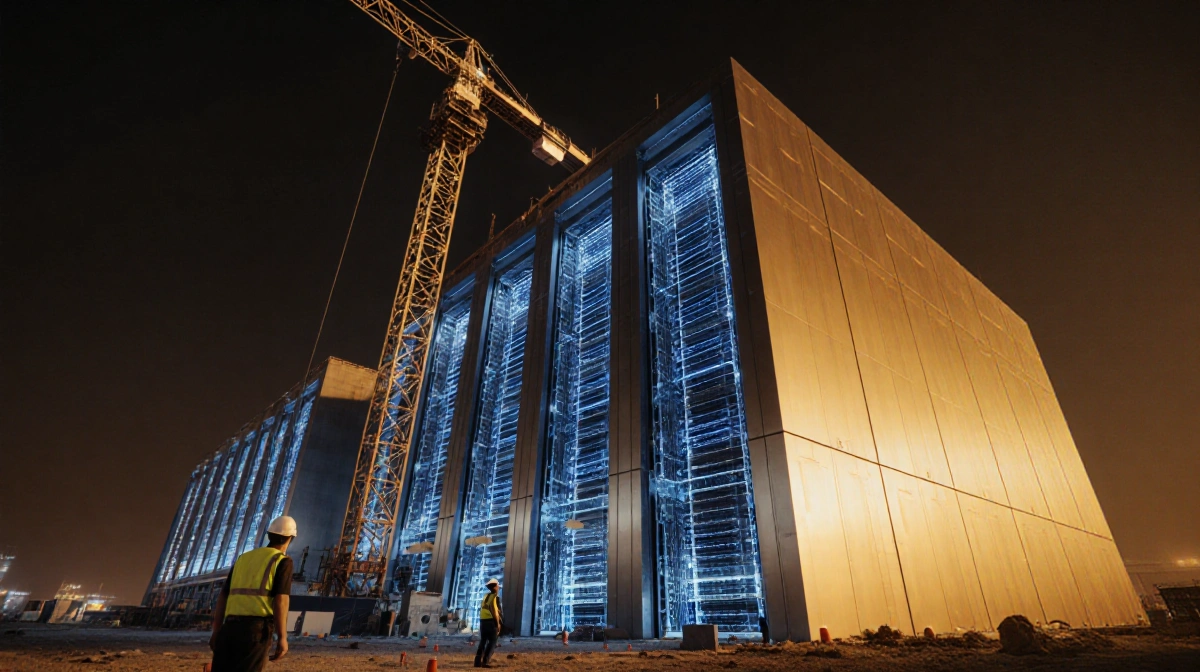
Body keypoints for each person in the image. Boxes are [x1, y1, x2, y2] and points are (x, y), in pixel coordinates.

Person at [209, 516, 296, 672]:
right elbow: (281, 600)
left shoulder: (243, 558)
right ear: (291, 538)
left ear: (269, 535)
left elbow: (223, 596)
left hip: (228, 628)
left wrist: (216, 631)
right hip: (255, 632)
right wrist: (282, 637)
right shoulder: (282, 561)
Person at [474, 577, 502, 668]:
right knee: (493, 641)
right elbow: (494, 610)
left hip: (483, 621)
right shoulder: (494, 596)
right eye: (498, 586)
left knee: (483, 641)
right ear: (494, 587)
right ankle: (485, 662)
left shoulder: (486, 596)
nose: (498, 588)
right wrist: (497, 624)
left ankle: (477, 662)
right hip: (490, 621)